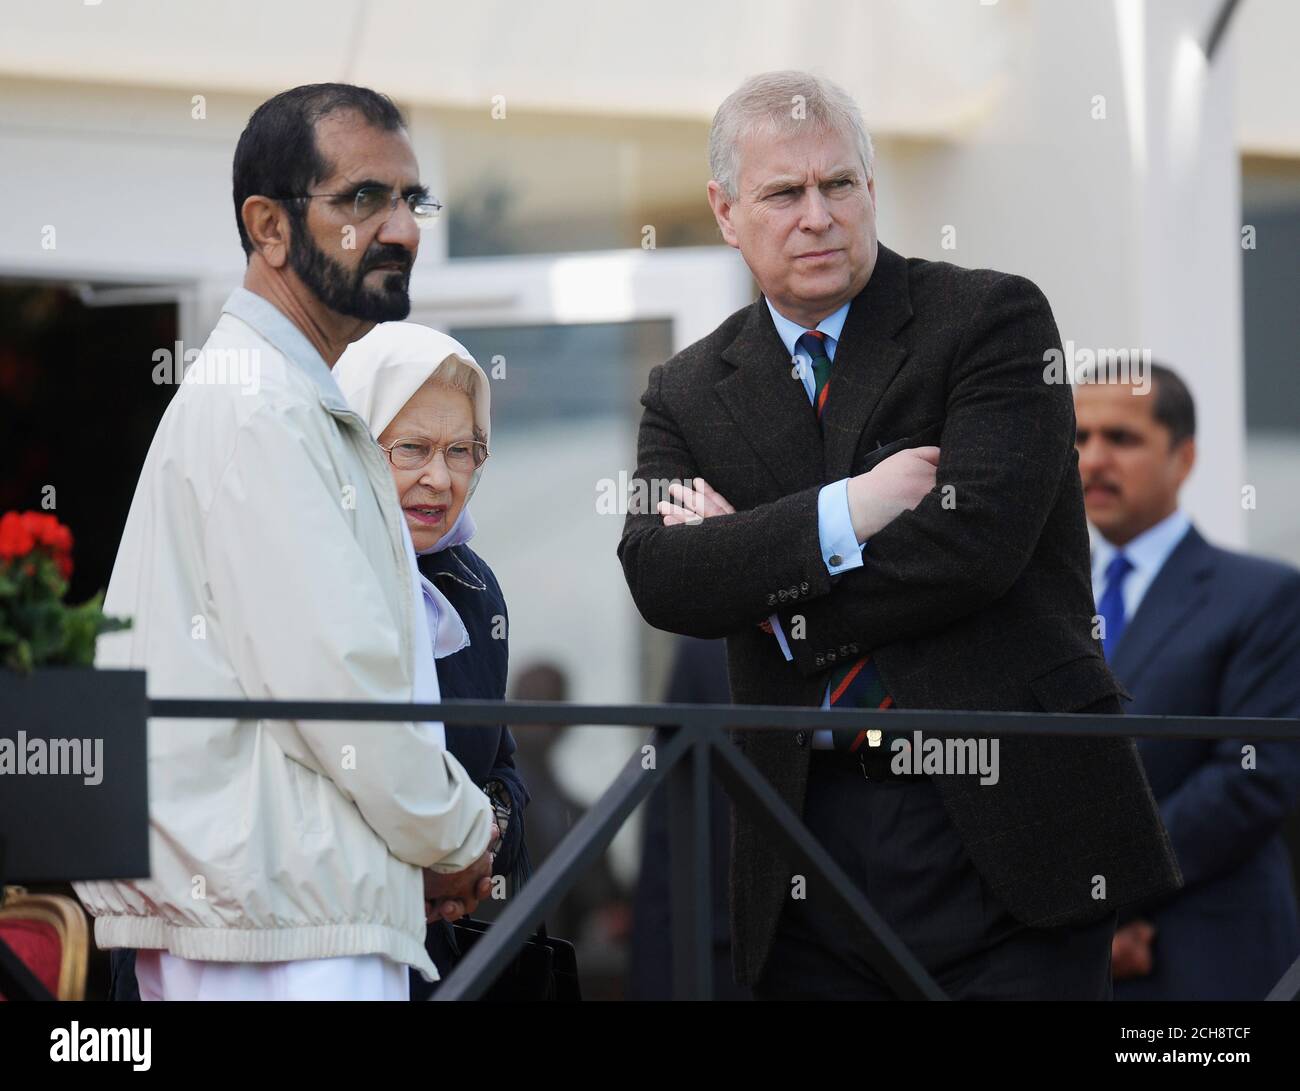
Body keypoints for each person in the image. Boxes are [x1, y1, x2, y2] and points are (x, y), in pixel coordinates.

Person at [617, 70, 1181, 1000]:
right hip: (804, 833)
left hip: (1008, 823)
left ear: (872, 189)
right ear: (725, 211)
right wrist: (854, 508)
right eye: (784, 193)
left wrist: (768, 595)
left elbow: (975, 549)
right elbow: (664, 576)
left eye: (840, 184)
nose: (819, 216)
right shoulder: (685, 388)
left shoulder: (992, 319)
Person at [74, 83, 495, 1001]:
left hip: (280, 913)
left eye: (411, 200)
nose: (402, 229)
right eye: (361, 199)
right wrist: (461, 835)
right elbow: (336, 683)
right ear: (267, 228)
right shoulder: (260, 405)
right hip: (276, 935)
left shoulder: (275, 393)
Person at [1075, 363, 1300, 1000]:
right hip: (1062, 959)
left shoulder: (1264, 596)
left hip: (1202, 955)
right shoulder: (1040, 604)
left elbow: (1250, 781)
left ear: (1185, 456)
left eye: (1121, 438)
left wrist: (1102, 896)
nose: (1093, 460)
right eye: (1079, 438)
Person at [333, 322, 529, 998]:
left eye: (463, 450)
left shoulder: (470, 590)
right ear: (352, 445)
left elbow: (499, 764)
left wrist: (483, 837)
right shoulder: (306, 569)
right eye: (410, 447)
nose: (439, 478)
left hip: (427, 959)